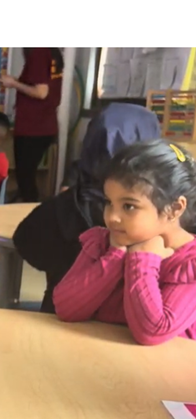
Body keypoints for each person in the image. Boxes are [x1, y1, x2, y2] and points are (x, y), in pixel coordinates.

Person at [13, 103, 161, 314]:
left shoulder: (68, 203)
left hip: (60, 316)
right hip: (128, 326)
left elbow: (26, 241)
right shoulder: (159, 212)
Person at [53, 140, 196, 345]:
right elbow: (66, 309)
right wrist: (115, 255)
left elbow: (152, 332)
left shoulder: (190, 263)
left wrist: (143, 260)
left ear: (174, 208)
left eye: (128, 206)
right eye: (109, 202)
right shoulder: (103, 242)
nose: (112, 217)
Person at [0, 48, 64, 202]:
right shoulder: (51, 52)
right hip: (44, 126)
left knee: (26, 182)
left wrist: (13, 83)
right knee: (27, 179)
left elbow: (41, 92)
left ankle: (30, 218)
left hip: (33, 128)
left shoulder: (39, 52)